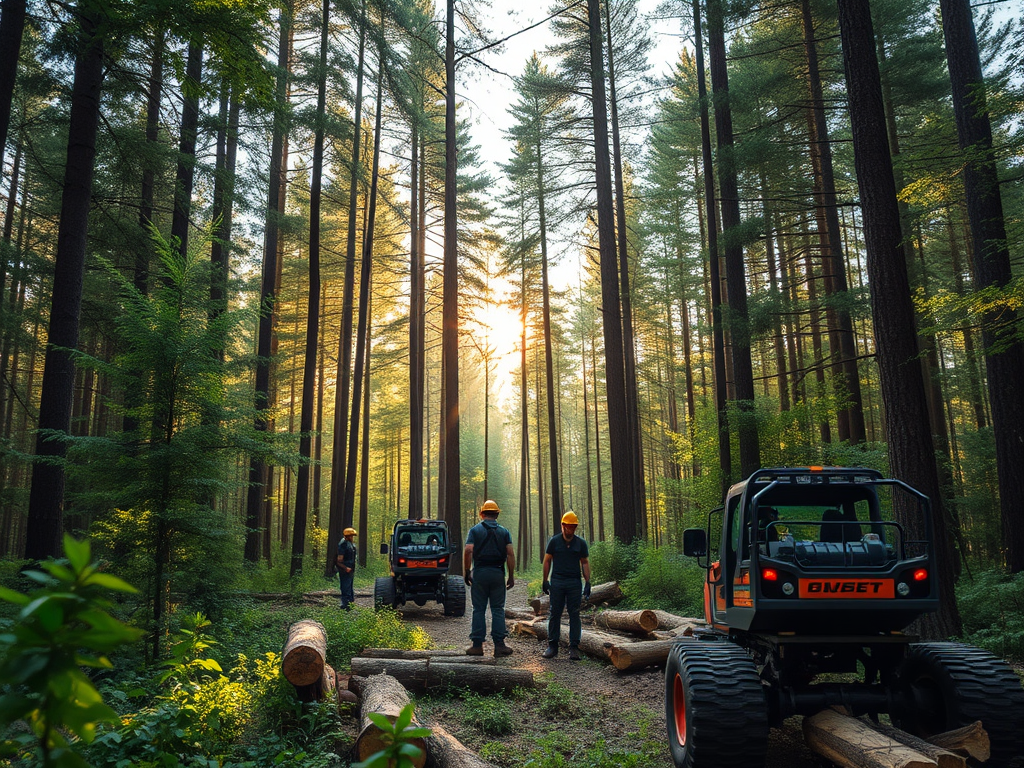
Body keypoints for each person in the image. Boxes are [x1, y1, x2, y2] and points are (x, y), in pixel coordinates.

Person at [463, 499, 516, 657]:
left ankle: (477, 646)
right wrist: (511, 575)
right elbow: (510, 554)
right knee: (497, 609)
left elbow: (468, 551)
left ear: (482, 514)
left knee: (479, 609)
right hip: (497, 573)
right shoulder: (504, 532)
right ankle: (499, 646)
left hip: (480, 573)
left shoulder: (475, 531)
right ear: (497, 514)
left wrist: (467, 571)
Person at [541, 511, 591, 660]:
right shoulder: (554, 542)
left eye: (573, 527)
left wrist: (588, 582)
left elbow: (585, 562)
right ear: (563, 526)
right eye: (568, 526)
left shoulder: (580, 543)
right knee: (555, 613)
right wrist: (545, 580)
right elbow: (547, 560)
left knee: (574, 614)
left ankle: (574, 647)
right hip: (557, 582)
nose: (570, 529)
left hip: (574, 583)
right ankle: (552, 646)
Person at [337, 527, 357, 610]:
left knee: (349, 587)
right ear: (347, 536)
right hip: (345, 569)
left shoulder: (351, 544)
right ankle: (345, 605)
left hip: (351, 568)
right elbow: (339, 560)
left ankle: (350, 604)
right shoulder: (343, 544)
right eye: (351, 536)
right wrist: (345, 568)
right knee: (345, 587)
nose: (352, 537)